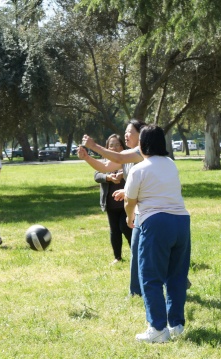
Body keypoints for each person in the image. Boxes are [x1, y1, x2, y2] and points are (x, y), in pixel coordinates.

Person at [123, 124, 191, 343]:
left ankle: (158, 329)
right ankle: (176, 325)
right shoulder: (171, 164)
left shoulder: (139, 169)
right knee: (177, 276)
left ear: (142, 145)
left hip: (156, 223)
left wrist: (129, 216)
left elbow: (129, 200)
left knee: (151, 277)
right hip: (181, 221)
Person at [79, 119, 146, 296]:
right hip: (139, 210)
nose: (126, 134)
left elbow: (117, 157)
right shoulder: (129, 155)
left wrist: (94, 146)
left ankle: (175, 280)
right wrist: (87, 157)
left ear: (141, 134)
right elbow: (105, 166)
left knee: (147, 250)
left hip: (150, 210)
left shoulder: (143, 152)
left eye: (129, 132)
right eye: (125, 131)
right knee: (141, 249)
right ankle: (137, 291)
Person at [93, 134, 132, 264]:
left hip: (126, 203)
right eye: (111, 145)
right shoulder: (105, 162)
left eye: (117, 145)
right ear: (107, 147)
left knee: (125, 227)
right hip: (110, 204)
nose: (114, 148)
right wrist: (108, 178)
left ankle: (136, 253)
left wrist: (123, 175)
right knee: (114, 230)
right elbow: (97, 175)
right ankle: (117, 257)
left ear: (122, 146)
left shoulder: (128, 160)